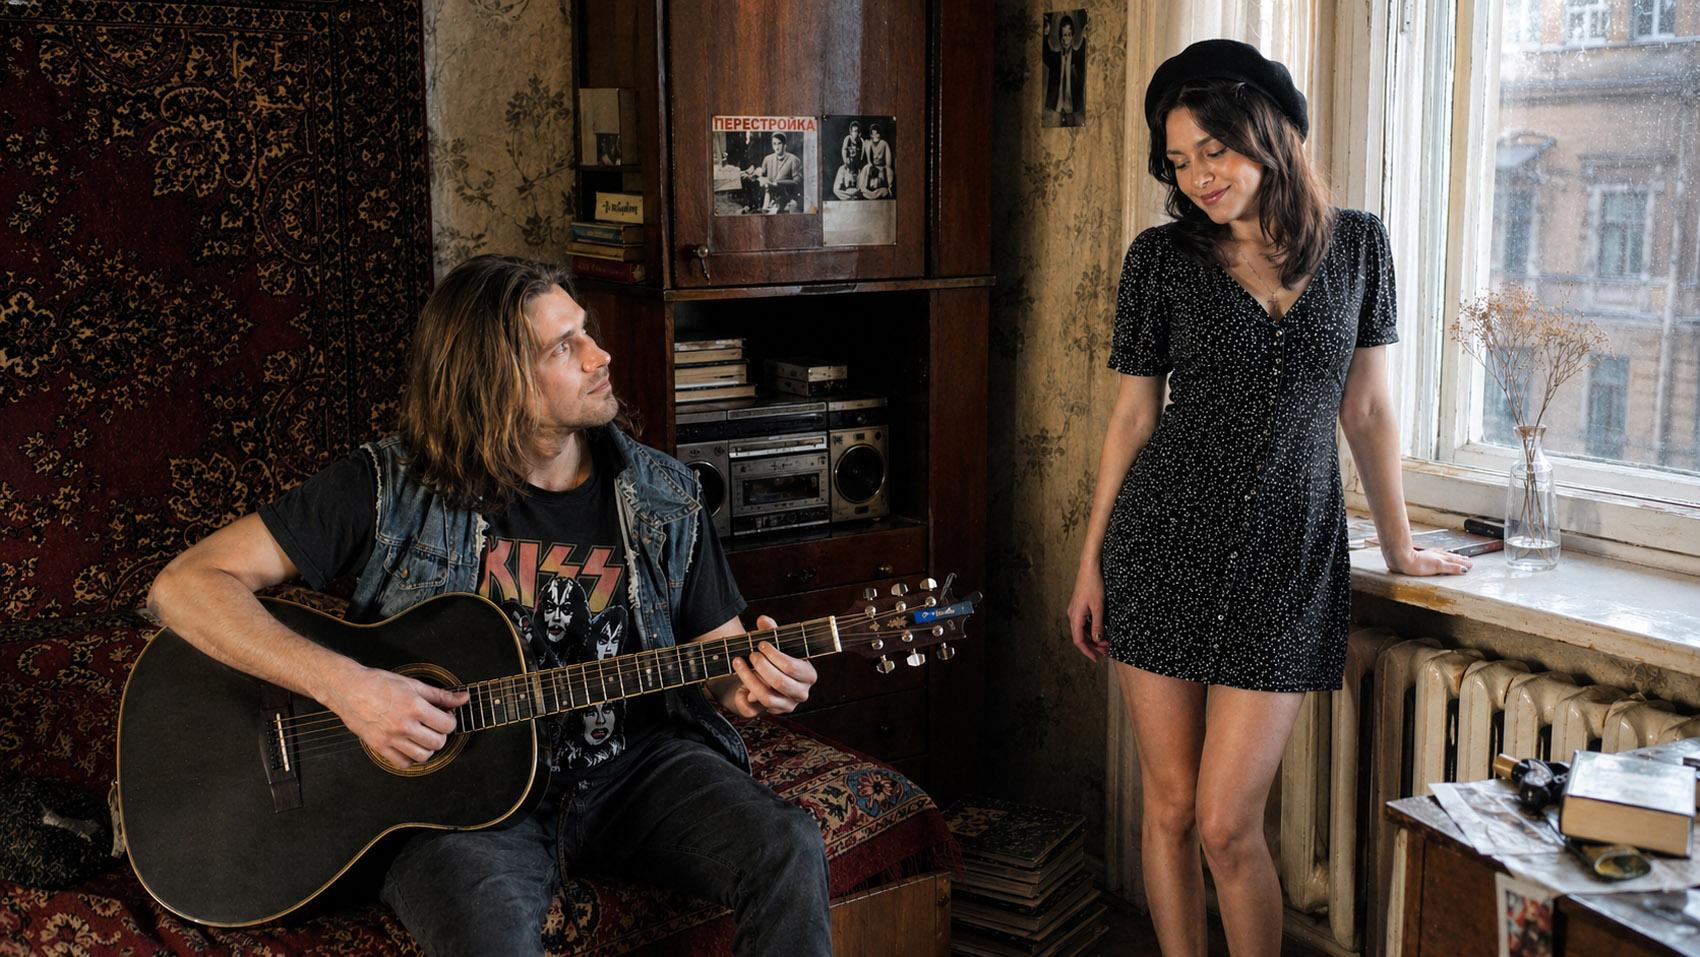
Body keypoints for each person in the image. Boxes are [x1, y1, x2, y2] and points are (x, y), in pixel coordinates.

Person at [145, 255, 831, 956]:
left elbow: (720, 662)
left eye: (585, 330)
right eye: (563, 346)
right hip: (458, 809)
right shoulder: (388, 485)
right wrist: (348, 687)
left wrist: (755, 685)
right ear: (494, 379)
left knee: (789, 845)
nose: (600, 355)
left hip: (630, 773)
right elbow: (185, 584)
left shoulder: (667, 493)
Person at [1065, 39, 1471, 957]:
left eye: (1214, 149)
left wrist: (1400, 546)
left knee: (1226, 822)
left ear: (1272, 134)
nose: (1198, 176)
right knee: (1171, 807)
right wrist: (1091, 565)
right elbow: (1133, 417)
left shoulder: (1359, 245)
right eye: (1179, 161)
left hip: (1289, 560)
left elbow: (1367, 411)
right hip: (1161, 545)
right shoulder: (1160, 259)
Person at [1043, 13, 1086, 125]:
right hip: (1056, 107)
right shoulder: (1055, 58)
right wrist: (1046, 33)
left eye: (1068, 35)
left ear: (1072, 36)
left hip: (1073, 108)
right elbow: (1046, 54)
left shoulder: (1077, 58)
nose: (1065, 39)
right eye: (1063, 35)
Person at [745, 132, 803, 213]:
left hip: (786, 199)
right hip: (768, 198)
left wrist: (779, 183)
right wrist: (754, 174)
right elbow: (762, 174)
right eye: (774, 144)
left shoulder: (793, 160)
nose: (777, 147)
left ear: (785, 145)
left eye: (779, 143)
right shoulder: (767, 159)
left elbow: (797, 181)